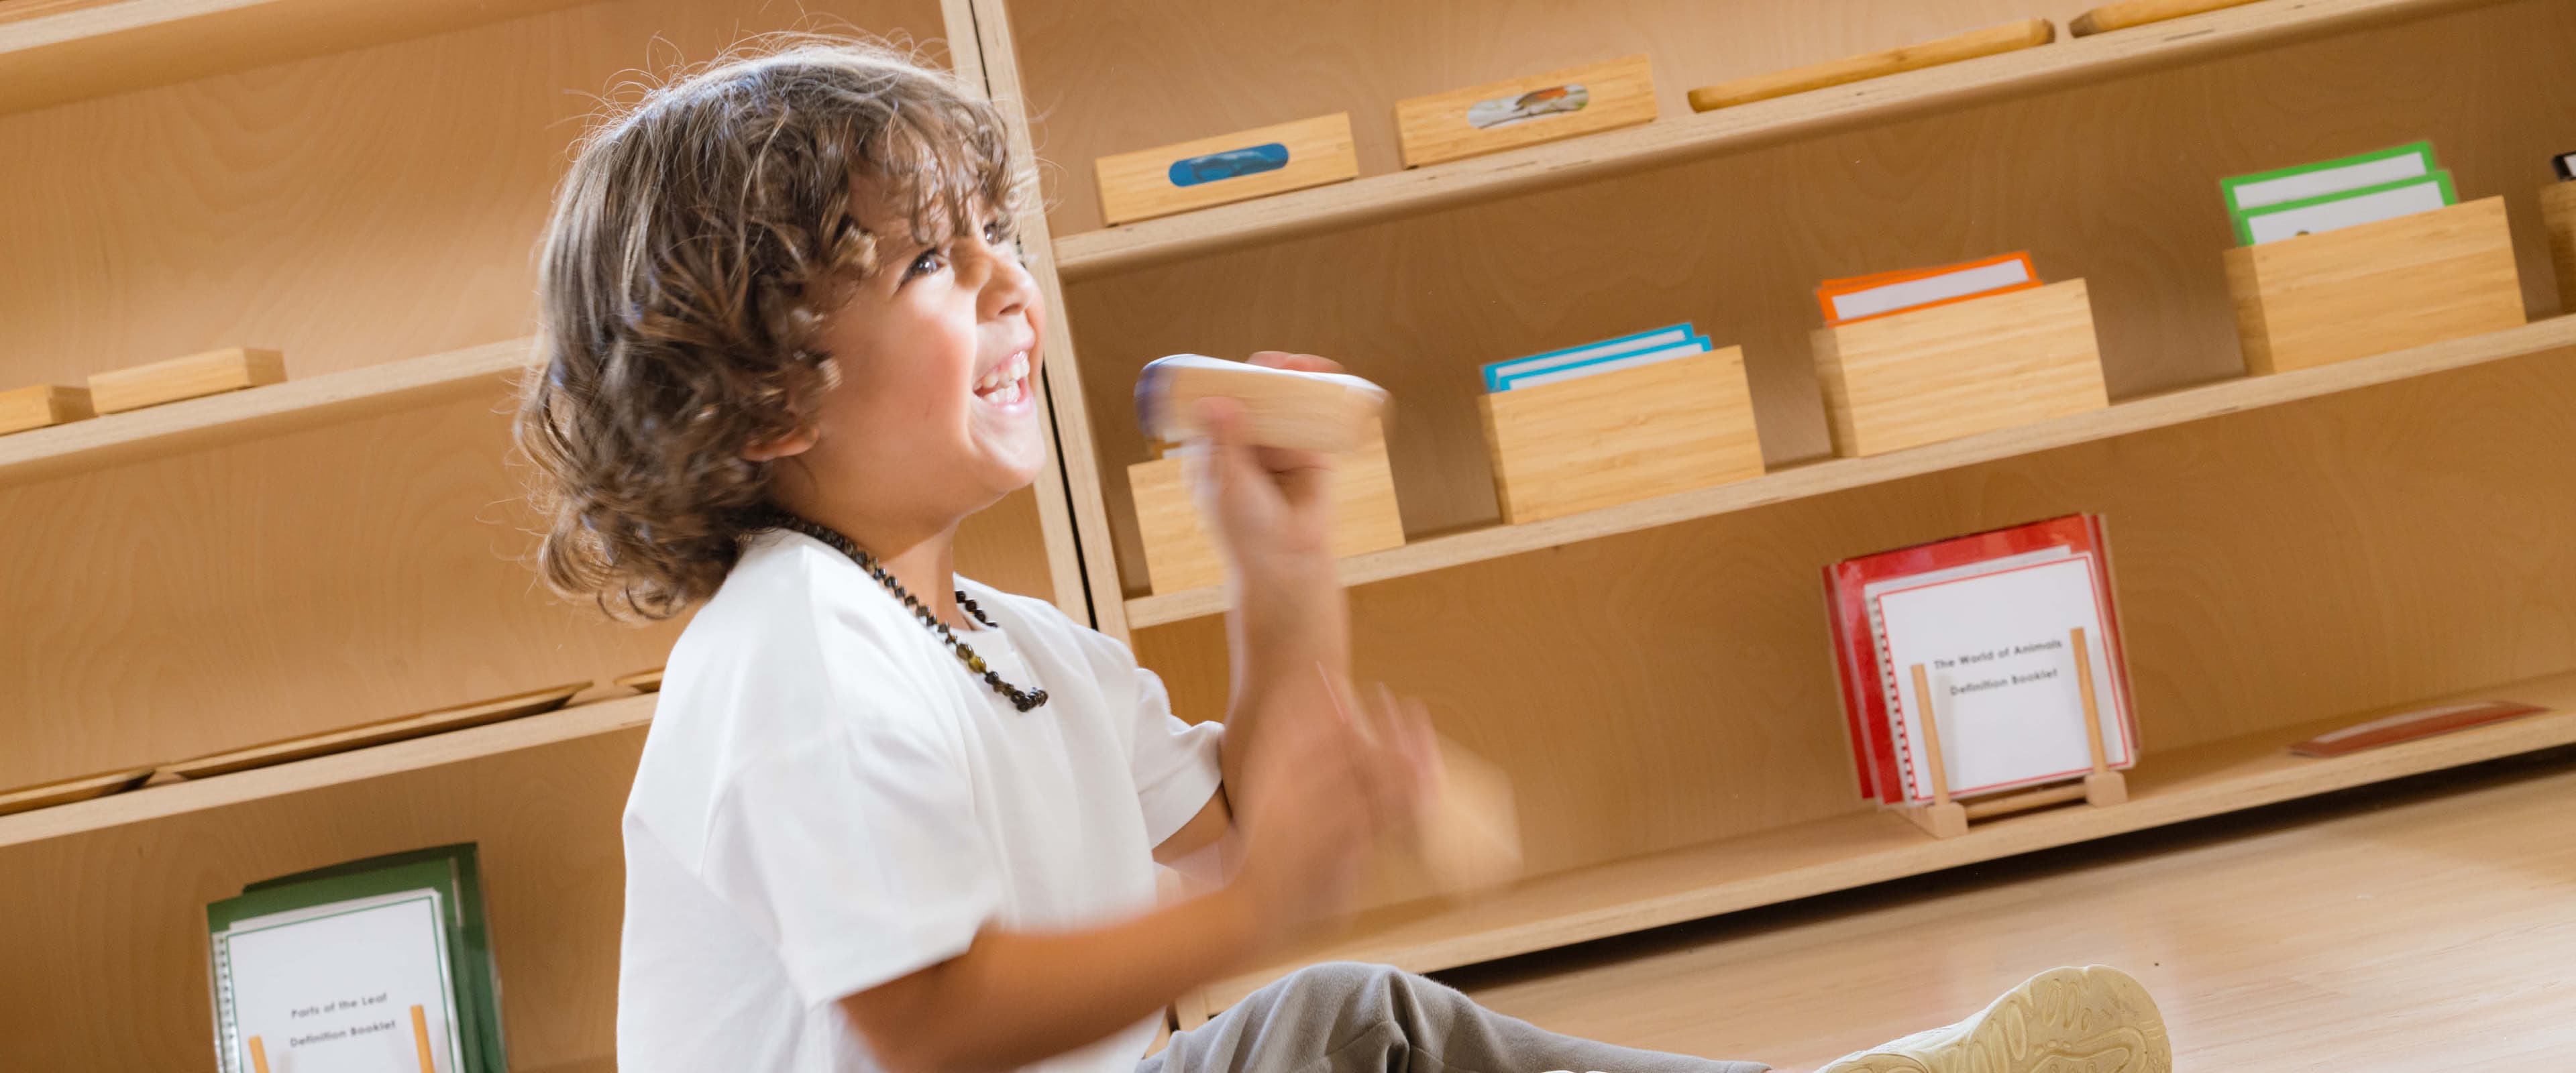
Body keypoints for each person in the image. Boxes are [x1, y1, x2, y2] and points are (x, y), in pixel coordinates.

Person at [513, 38, 2172, 1073]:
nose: (1015, 286)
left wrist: (1280, 572)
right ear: (759, 399)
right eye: (936, 266)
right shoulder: (795, 651)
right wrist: (1260, 910)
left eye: (997, 233)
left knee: (1352, 1025)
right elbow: (931, 1019)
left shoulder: (1003, 636)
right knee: (1313, 1020)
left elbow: (1225, 810)